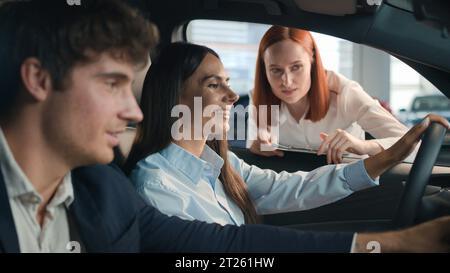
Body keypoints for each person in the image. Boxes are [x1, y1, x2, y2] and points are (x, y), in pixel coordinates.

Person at [0, 0, 449, 253]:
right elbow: (220, 253)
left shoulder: (109, 189)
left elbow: (258, 221)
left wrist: (381, 164)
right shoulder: (154, 184)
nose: (234, 98)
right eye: (112, 84)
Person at [247, 26, 409, 164]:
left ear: (312, 60)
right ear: (265, 70)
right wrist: (256, 146)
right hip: (292, 189)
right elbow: (254, 147)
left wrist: (363, 146)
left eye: (296, 67)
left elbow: (411, 143)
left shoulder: (345, 92)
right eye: (276, 70)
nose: (286, 81)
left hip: (349, 186)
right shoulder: (259, 96)